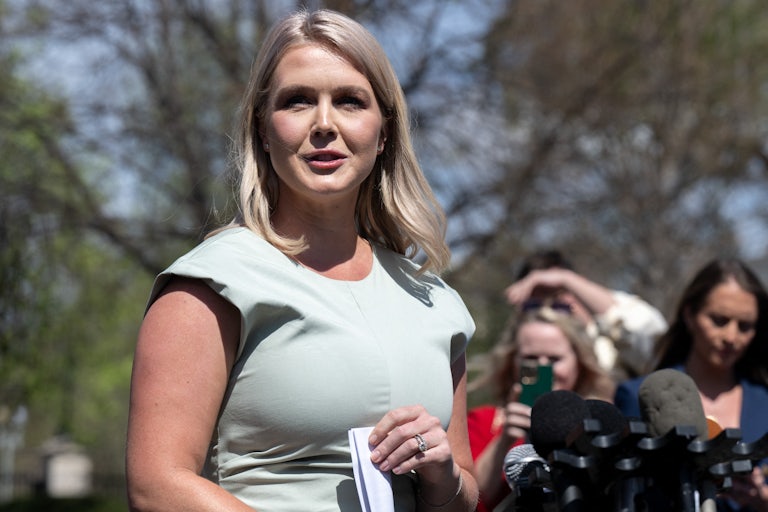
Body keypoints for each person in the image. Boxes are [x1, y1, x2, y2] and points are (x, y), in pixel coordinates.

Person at [125, 9, 479, 512]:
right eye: (298, 101)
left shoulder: (435, 300)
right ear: (264, 131)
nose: (324, 124)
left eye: (350, 101)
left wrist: (442, 475)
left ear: (383, 135)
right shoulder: (212, 283)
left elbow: (462, 494)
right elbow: (157, 486)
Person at [615, 258, 768, 511]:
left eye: (745, 326)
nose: (731, 337)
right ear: (689, 314)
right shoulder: (639, 395)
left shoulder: (764, 402)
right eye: (719, 320)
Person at [467, 304, 615, 512]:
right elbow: (469, 500)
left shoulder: (600, 422)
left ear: (579, 363)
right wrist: (503, 442)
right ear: (511, 362)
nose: (543, 368)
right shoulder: (483, 421)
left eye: (554, 359)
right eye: (531, 359)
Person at [504, 249, 667, 382]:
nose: (547, 310)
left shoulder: (609, 345)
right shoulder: (516, 351)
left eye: (556, 297)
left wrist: (566, 279)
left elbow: (654, 344)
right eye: (535, 304)